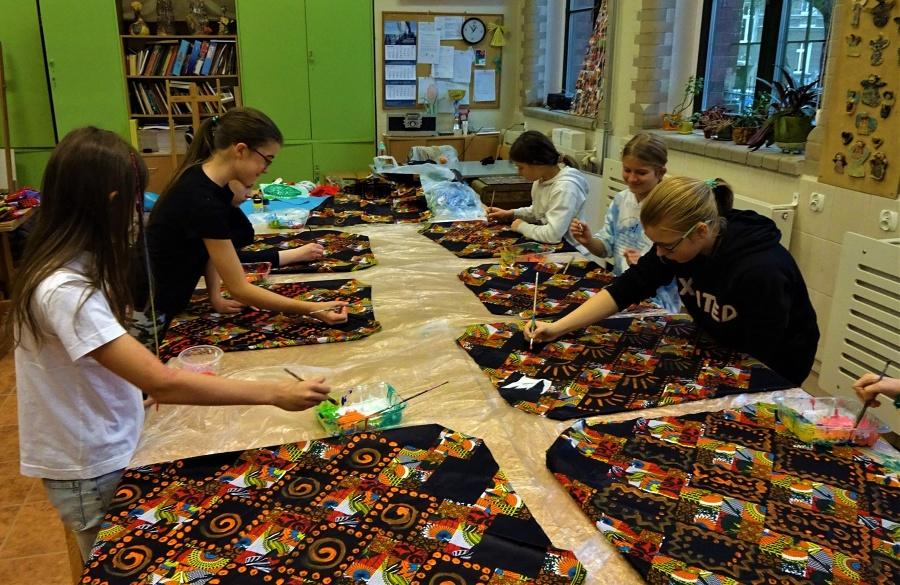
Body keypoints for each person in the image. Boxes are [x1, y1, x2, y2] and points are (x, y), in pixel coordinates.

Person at [3, 127, 336, 561]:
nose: (139, 220)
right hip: (90, 464)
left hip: (104, 441)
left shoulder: (71, 265)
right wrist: (275, 393)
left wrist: (128, 388)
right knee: (114, 564)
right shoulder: (64, 290)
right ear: (112, 203)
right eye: (135, 205)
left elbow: (95, 364)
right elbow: (161, 382)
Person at [527, 176, 819, 386]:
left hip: (778, 362)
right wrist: (558, 327)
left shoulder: (761, 269)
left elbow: (762, 351)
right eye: (655, 244)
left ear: (701, 232)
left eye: (666, 246)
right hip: (722, 343)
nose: (660, 254)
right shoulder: (677, 243)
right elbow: (628, 287)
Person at [139, 107, 348, 323]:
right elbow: (239, 289)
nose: (266, 169)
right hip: (149, 310)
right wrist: (311, 308)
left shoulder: (209, 184)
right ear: (240, 150)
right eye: (267, 159)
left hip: (165, 302)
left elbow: (207, 249)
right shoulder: (201, 198)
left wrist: (215, 297)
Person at [569, 133, 680, 313]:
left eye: (641, 172)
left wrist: (643, 264)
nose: (632, 178)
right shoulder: (621, 200)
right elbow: (606, 248)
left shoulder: (670, 207)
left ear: (660, 172)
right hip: (622, 290)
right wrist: (589, 241)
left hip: (657, 301)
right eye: (627, 170)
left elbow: (678, 264)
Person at [486, 130, 589, 245]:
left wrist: (522, 226)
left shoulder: (565, 188)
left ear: (537, 163)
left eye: (521, 167)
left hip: (571, 249)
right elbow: (538, 212)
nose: (519, 172)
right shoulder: (541, 180)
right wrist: (510, 214)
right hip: (551, 244)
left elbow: (553, 235)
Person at [227, 180, 326, 269]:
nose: (249, 195)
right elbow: (229, 258)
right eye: (247, 186)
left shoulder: (228, 205)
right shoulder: (217, 208)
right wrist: (295, 254)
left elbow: (245, 236)